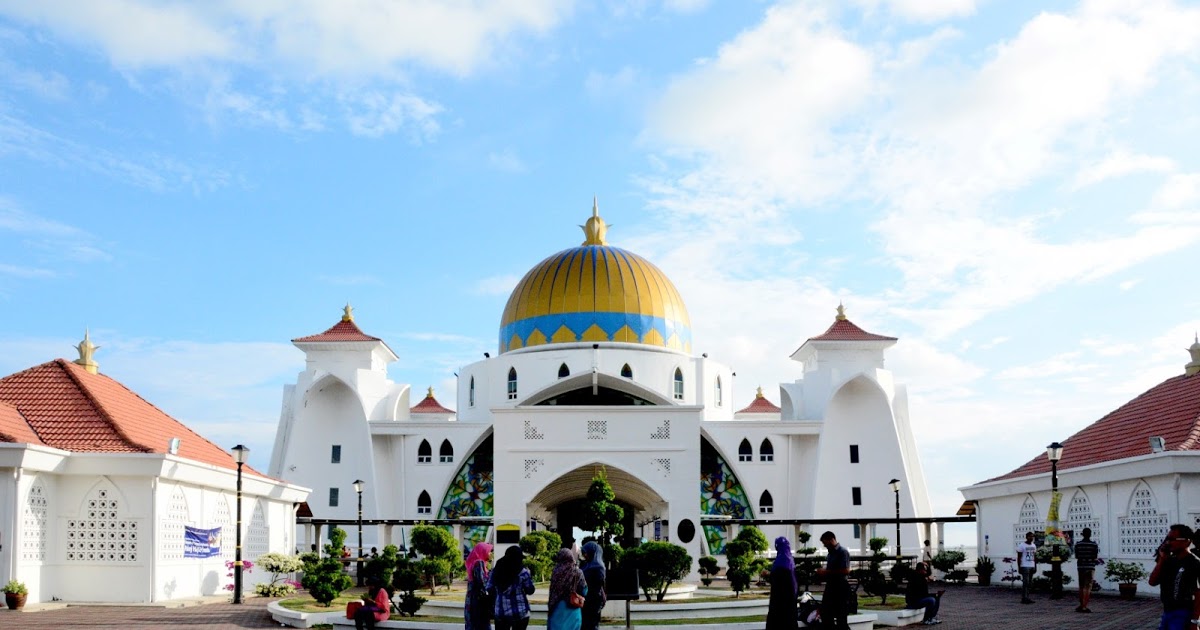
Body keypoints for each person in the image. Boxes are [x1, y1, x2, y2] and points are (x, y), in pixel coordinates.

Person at [1148, 523, 1200, 630]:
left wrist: (1194, 621)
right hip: (1167, 612)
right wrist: (1161, 559)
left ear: (1187, 541)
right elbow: (1152, 582)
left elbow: (1198, 594)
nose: (1168, 542)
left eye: (1172, 539)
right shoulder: (1168, 561)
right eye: (1167, 539)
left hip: (1183, 613)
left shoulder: (1194, 563)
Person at [488, 545, 536, 630]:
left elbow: (489, 588)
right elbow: (530, 590)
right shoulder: (523, 572)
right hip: (520, 612)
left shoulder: (496, 570)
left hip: (501, 612)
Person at [816, 531, 851, 630]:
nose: (824, 546)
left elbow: (846, 570)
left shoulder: (842, 552)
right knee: (826, 613)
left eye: (825, 543)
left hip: (840, 586)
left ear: (831, 540)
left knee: (841, 616)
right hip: (831, 586)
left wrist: (826, 572)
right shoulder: (830, 554)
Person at [547, 548, 586, 630]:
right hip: (573, 608)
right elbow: (584, 590)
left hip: (556, 608)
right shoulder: (577, 572)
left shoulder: (555, 571)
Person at [766, 536, 797, 629]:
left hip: (779, 601)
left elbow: (776, 580)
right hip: (791, 600)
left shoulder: (779, 561)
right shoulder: (791, 561)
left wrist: (767, 574)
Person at [464, 542, 494, 630]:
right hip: (478, 601)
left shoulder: (476, 563)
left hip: (473, 599)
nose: (490, 554)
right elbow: (481, 582)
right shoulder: (479, 563)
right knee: (481, 624)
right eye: (489, 551)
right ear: (483, 551)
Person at [580, 542, 607, 630]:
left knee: (591, 624)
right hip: (585, 599)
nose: (584, 555)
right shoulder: (586, 565)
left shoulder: (598, 568)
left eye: (586, 552)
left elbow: (598, 585)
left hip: (593, 600)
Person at [1073, 527, 1099, 613]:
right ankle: (1084, 606)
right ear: (1090, 535)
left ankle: (1081, 605)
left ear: (1082, 534)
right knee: (1087, 587)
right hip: (1090, 567)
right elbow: (1095, 556)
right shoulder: (1094, 545)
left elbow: (1076, 556)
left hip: (1080, 567)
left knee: (1081, 586)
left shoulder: (1078, 544)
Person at [1015, 531, 1037, 604]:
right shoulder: (1022, 546)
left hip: (1031, 565)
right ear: (1026, 537)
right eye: (1030, 536)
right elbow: (1019, 557)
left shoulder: (1033, 546)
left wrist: (1035, 566)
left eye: (1032, 536)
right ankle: (1024, 598)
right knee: (1026, 582)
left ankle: (1027, 597)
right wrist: (1019, 567)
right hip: (1025, 565)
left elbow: (1034, 556)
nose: (1031, 538)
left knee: (1029, 583)